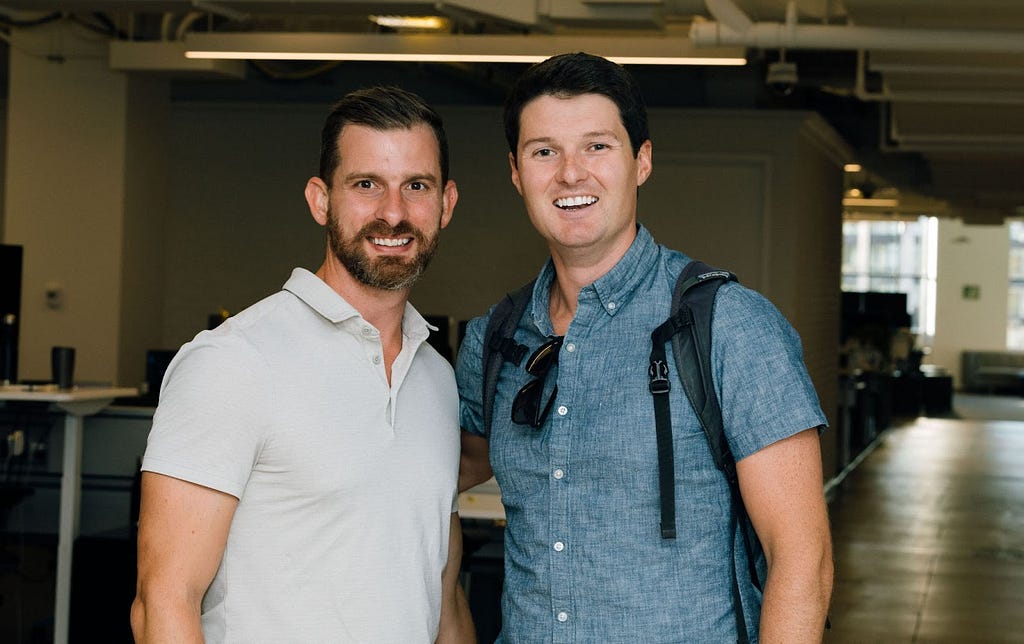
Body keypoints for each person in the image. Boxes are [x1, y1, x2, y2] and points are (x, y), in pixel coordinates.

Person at [456, 53, 833, 642]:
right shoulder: (494, 342)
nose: (571, 174)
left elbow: (802, 562)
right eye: (544, 151)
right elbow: (412, 484)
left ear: (643, 161)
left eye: (598, 147)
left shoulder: (728, 326)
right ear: (515, 171)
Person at [131, 86, 475, 643]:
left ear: (446, 204)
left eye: (417, 186)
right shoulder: (233, 362)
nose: (393, 212)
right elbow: (163, 604)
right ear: (321, 200)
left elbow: (441, 597)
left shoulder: (435, 379)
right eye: (366, 185)